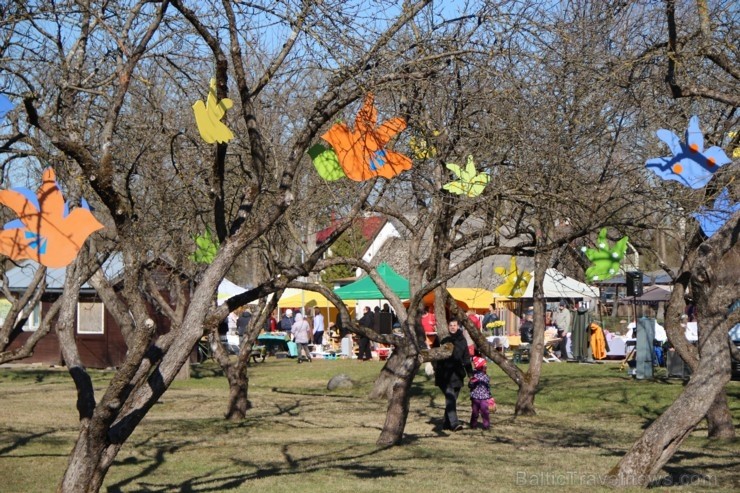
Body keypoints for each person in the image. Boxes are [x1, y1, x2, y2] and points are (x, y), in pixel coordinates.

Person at [434, 319, 473, 432]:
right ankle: (455, 424)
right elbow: (434, 353)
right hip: (444, 374)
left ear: (458, 326)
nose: (452, 327)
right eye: (450, 325)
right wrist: (436, 368)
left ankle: (446, 423)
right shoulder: (442, 339)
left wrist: (470, 373)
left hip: (457, 373)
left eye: (454, 325)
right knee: (450, 397)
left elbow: (466, 358)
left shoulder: (462, 340)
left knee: (452, 399)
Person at [468, 355, 492, 430]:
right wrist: (471, 383)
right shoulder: (474, 374)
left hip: (484, 397)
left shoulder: (485, 375)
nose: (486, 366)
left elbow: (487, 386)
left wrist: (490, 396)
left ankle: (486, 426)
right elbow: (470, 385)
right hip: (475, 397)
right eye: (484, 365)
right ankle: (473, 425)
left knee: (485, 412)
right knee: (475, 412)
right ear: (480, 366)